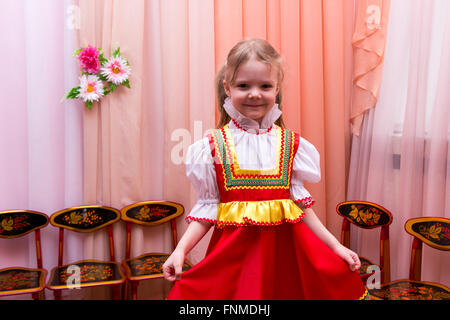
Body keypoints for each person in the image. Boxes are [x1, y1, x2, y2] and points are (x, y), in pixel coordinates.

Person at [163, 38, 369, 300]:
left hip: (286, 266)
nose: (255, 93)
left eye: (265, 86)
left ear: (277, 88)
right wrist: (180, 250)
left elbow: (303, 210)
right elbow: (207, 210)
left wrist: (336, 247)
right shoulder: (211, 147)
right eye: (243, 86)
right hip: (236, 270)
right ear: (227, 88)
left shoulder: (292, 145)